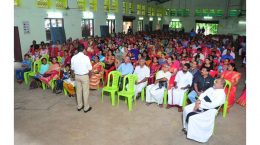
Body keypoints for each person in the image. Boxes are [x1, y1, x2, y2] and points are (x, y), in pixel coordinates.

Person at [182, 78, 226, 143]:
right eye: (215, 81)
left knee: (193, 117)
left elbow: (212, 105)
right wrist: (198, 100)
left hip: (210, 109)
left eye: (216, 82)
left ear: (221, 85)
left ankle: (194, 135)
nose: (214, 83)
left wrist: (199, 105)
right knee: (186, 109)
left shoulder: (222, 95)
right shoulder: (211, 88)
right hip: (201, 103)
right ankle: (187, 128)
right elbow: (203, 94)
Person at [71, 44, 92, 113]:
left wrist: (73, 76)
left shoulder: (73, 57)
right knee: (85, 92)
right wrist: (90, 75)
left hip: (77, 76)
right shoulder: (86, 57)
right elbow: (90, 69)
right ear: (83, 50)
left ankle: (79, 106)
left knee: (78, 91)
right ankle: (86, 107)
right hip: (84, 76)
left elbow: (72, 69)